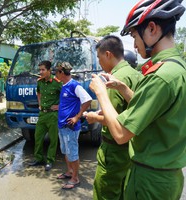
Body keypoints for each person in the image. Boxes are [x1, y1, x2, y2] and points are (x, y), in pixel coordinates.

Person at [89, 0, 186, 199]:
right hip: (165, 175)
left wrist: (100, 92)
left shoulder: (161, 76)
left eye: (134, 36)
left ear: (151, 29)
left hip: (149, 179)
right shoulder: (176, 68)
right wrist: (124, 88)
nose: (134, 45)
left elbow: (121, 133)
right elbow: (154, 110)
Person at [84, 36, 142, 199]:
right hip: (131, 149)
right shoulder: (135, 74)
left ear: (108, 54)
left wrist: (95, 117)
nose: (99, 62)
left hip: (115, 150)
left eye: (99, 57)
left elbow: (115, 121)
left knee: (106, 193)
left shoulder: (114, 79)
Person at [55, 62, 92, 190]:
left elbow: (87, 100)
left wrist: (77, 116)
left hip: (71, 128)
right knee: (66, 151)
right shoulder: (64, 85)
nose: (55, 74)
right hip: (62, 126)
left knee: (73, 153)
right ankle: (69, 171)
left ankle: (75, 179)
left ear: (61, 72)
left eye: (57, 71)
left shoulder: (74, 86)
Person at [28, 60, 62, 171]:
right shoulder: (39, 82)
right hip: (42, 114)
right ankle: (39, 159)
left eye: (43, 70)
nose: (40, 72)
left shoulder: (57, 82)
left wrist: (59, 106)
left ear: (49, 70)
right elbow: (38, 93)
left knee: (53, 139)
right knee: (38, 137)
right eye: (40, 70)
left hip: (53, 115)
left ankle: (50, 160)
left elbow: (66, 96)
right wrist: (39, 104)